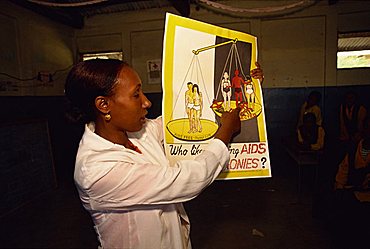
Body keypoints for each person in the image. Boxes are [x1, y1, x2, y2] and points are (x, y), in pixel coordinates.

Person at [64, 59, 242, 249]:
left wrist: (249, 84)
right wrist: (226, 132)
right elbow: (187, 179)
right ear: (104, 105)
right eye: (136, 94)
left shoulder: (139, 131)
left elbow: (176, 119)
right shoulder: (97, 170)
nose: (147, 102)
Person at [335, 116, 370, 191]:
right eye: (368, 128)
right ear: (364, 129)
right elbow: (342, 173)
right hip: (354, 191)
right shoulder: (353, 150)